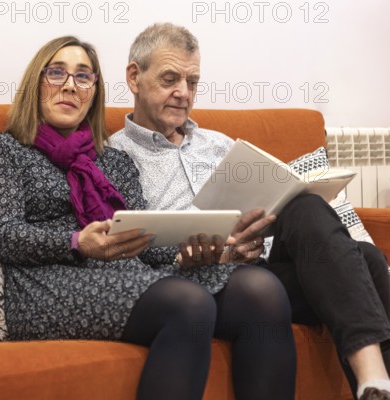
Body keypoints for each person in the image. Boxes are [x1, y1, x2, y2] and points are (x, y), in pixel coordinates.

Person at [0, 36, 296, 400]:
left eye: (83, 77)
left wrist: (203, 251)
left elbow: (147, 246)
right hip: (43, 283)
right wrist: (78, 243)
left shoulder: (112, 160)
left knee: (260, 291)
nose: (69, 86)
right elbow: (2, 233)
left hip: (124, 274)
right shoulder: (0, 150)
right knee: (189, 303)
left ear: (94, 90)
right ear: (36, 83)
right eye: (56, 73)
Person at [108, 22, 390, 400]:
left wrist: (256, 238)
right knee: (360, 262)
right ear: (134, 76)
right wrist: (203, 255)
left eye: (192, 82)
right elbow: (124, 250)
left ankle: (375, 381)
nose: (183, 93)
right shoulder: (113, 157)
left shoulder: (221, 144)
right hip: (195, 284)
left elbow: (269, 206)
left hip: (257, 263)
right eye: (170, 79)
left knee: (323, 220)